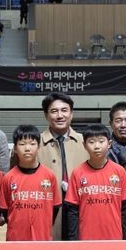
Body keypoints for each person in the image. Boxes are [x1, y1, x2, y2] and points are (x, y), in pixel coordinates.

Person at [33, 92, 89, 241]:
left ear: (71, 113)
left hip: (80, 211)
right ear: (46, 115)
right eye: (54, 111)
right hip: (45, 211)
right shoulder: (34, 144)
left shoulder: (85, 142)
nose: (60, 116)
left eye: (64, 110)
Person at [65, 124, 126, 240]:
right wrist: (74, 240)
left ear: (109, 144)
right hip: (86, 238)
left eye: (101, 141)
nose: (97, 146)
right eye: (91, 142)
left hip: (114, 237)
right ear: (84, 145)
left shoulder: (119, 171)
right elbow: (73, 211)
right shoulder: (77, 173)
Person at [0, 125, 61, 241]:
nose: (27, 148)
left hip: (43, 238)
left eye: (32, 144)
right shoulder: (8, 177)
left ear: (39, 147)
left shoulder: (49, 175)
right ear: (15, 148)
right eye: (22, 144)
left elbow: (55, 207)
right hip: (16, 239)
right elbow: (5, 210)